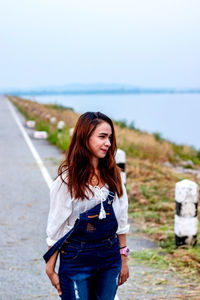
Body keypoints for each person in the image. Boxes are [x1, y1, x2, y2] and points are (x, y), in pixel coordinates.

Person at [44, 111, 130, 300]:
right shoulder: (66, 181)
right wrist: (50, 268)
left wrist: (123, 258)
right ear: (85, 137)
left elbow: (121, 219)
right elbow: (56, 227)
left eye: (110, 137)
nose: (108, 143)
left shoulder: (113, 176)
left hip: (110, 257)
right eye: (102, 137)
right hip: (76, 259)